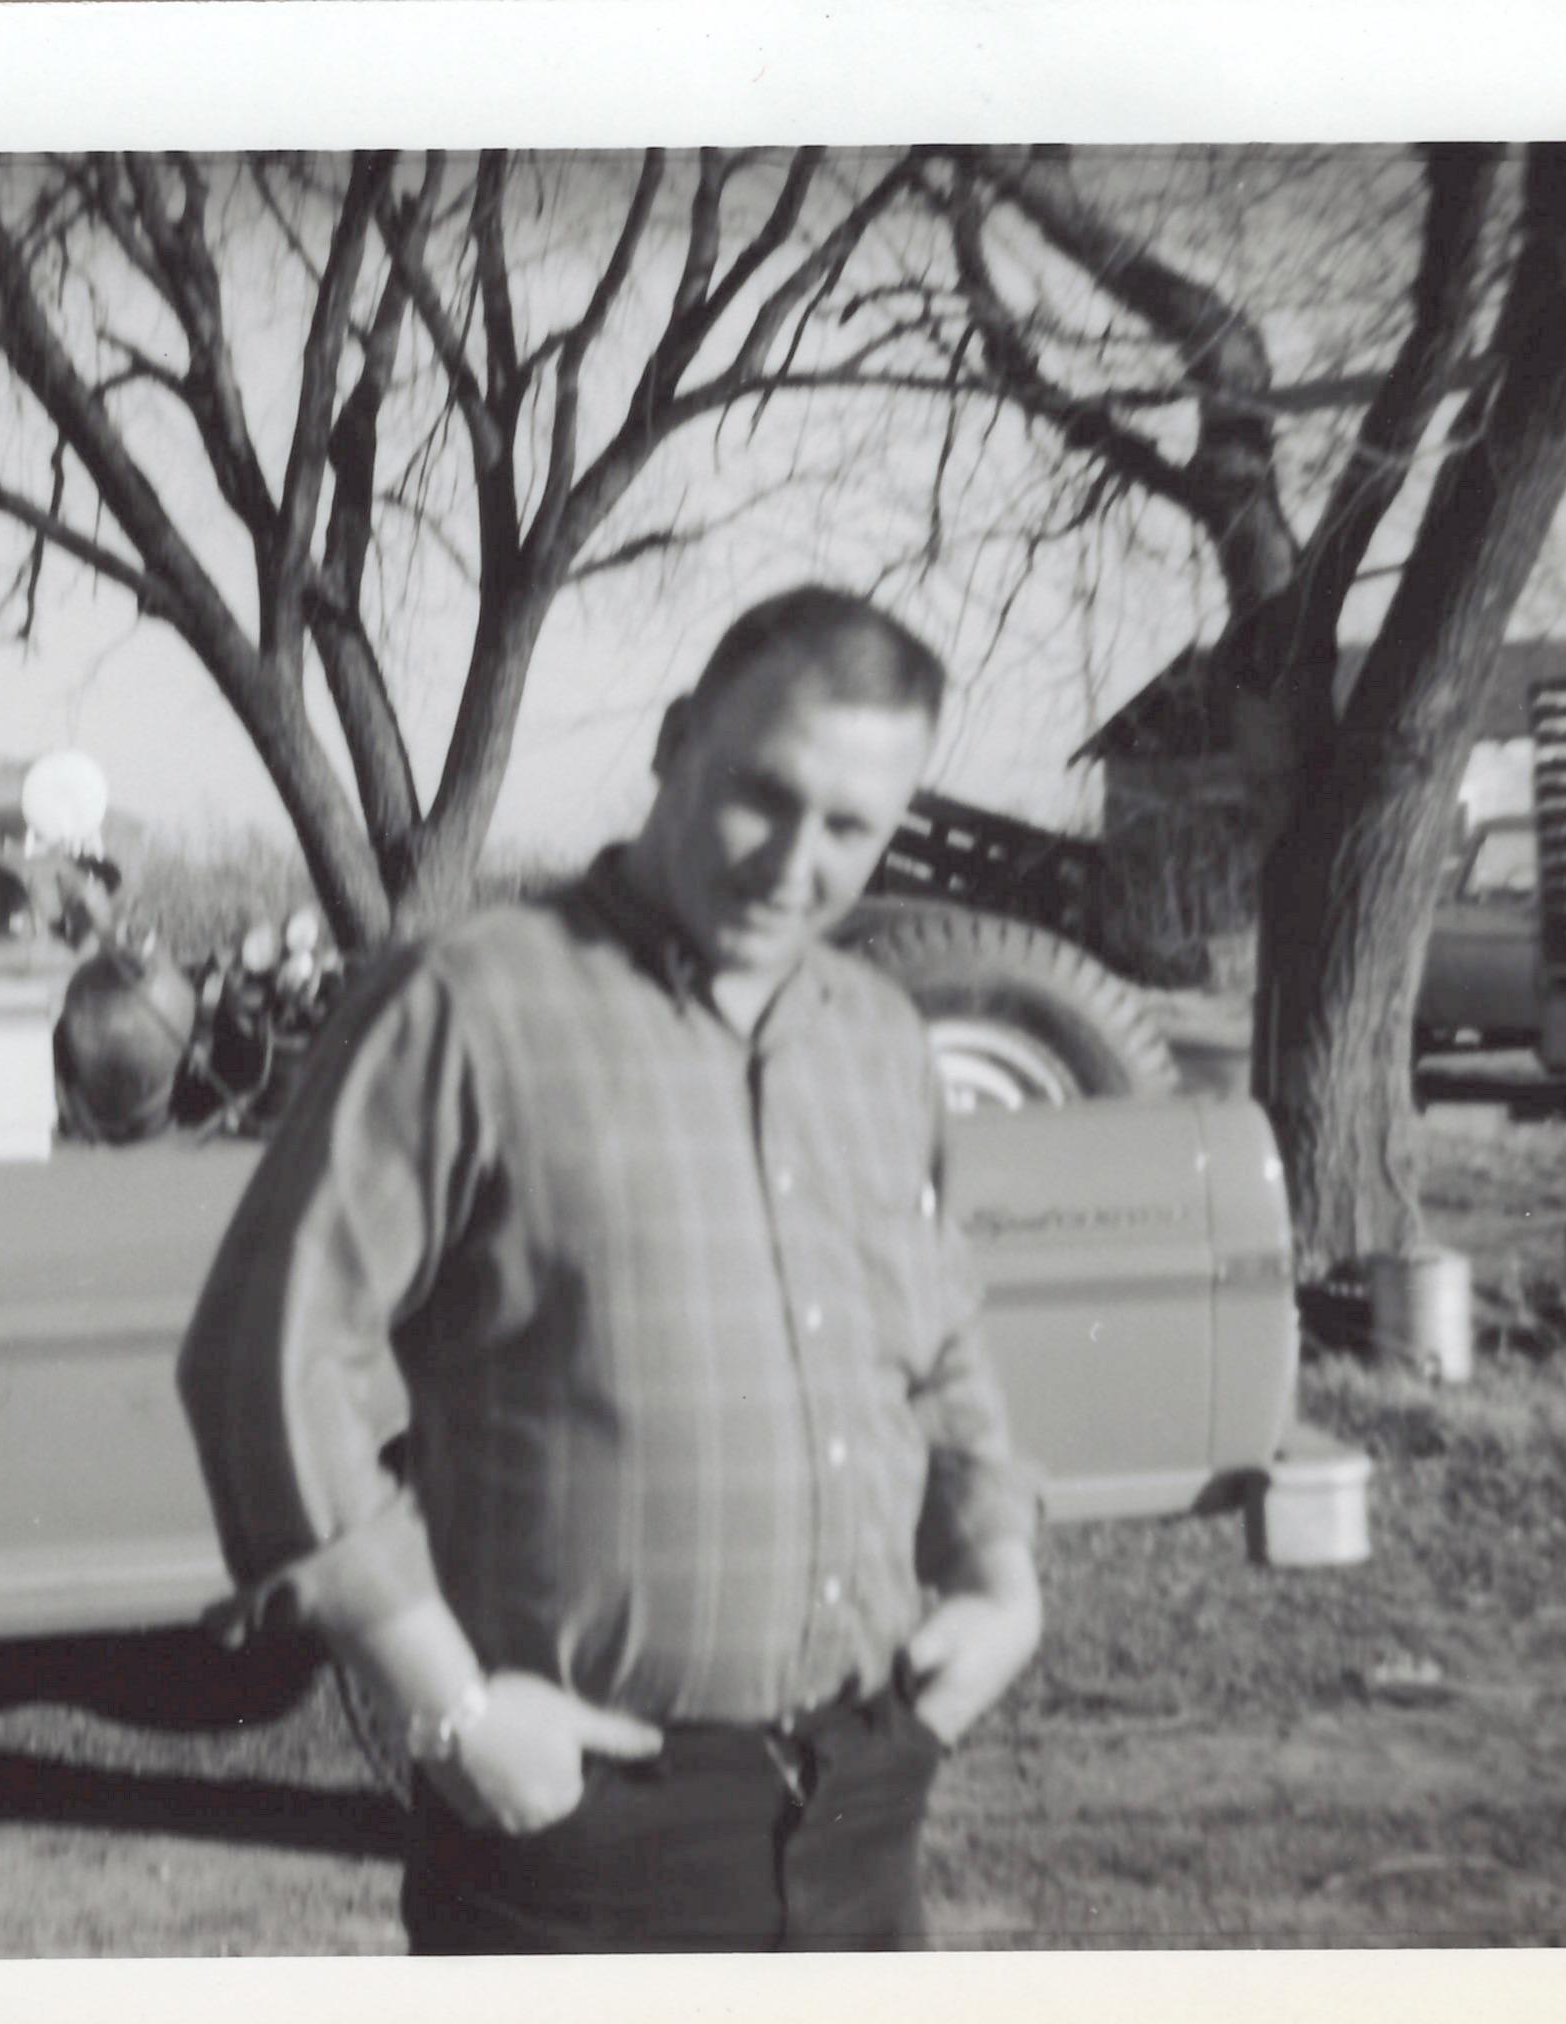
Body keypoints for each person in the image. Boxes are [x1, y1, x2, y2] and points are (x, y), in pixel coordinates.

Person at [176, 586, 1044, 1954]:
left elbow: (937, 1347)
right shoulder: (469, 1001)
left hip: (862, 1807)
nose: (793, 865)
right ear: (675, 740)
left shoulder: (878, 1040)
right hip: (577, 1837)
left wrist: (1001, 1578)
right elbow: (267, 1357)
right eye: (763, 796)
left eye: (849, 829)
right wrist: (448, 1705)